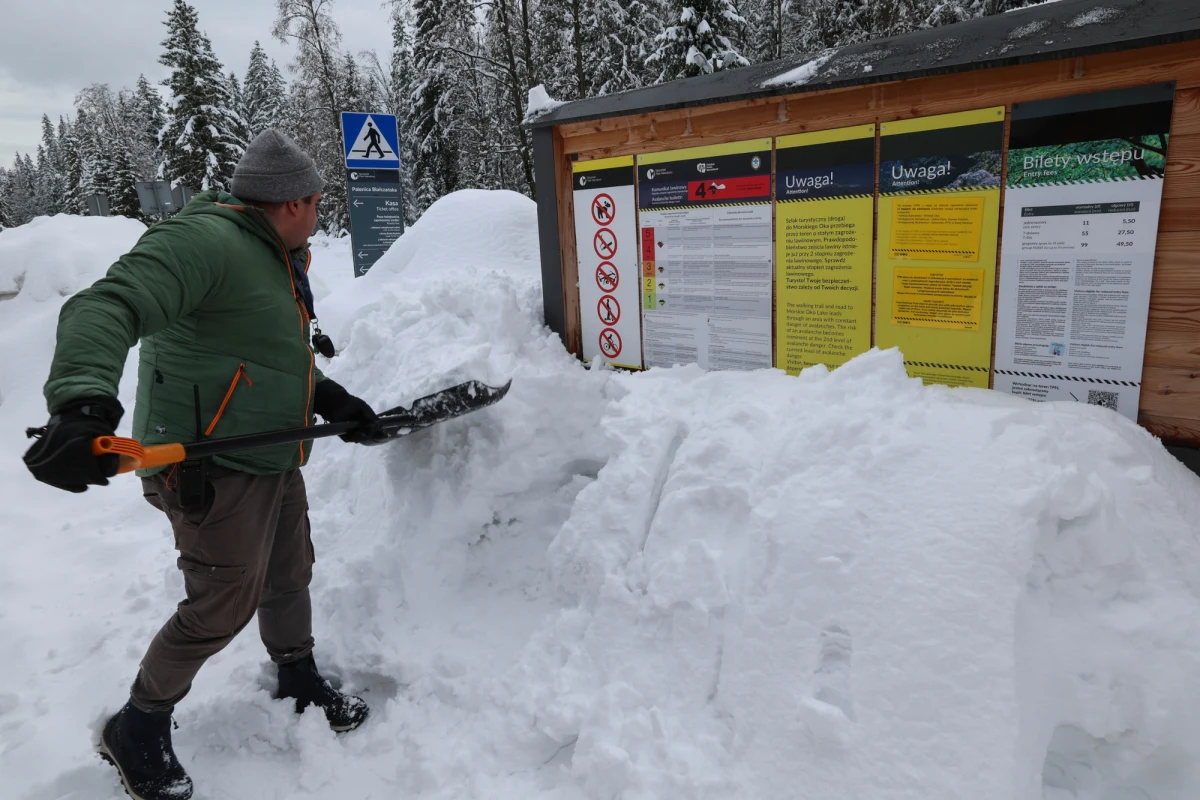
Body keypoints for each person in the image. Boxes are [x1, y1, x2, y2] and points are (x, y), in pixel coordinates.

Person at [23, 130, 384, 800]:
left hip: (267, 446)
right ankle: (138, 724)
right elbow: (107, 304)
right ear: (294, 202)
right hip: (208, 464)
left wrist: (328, 396)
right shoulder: (205, 243)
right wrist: (81, 401)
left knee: (288, 572)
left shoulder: (275, 252)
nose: (321, 210)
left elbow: (261, 349)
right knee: (220, 601)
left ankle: (297, 674)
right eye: (317, 200)